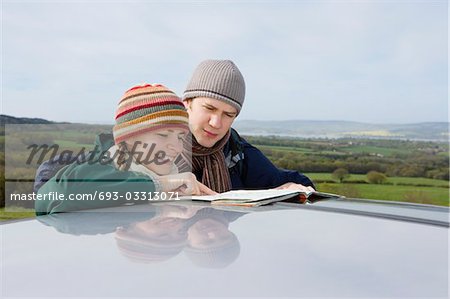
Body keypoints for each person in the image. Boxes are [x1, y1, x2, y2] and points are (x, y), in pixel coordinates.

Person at [36, 84, 215, 215]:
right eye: (162, 135)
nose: (176, 147)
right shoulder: (97, 166)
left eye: (180, 137)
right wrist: (159, 185)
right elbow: (60, 196)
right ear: (128, 139)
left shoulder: (171, 178)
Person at [179, 59, 315, 193]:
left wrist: (289, 187)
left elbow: (297, 183)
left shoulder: (236, 152)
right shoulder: (160, 144)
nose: (216, 123)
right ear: (187, 102)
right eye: (209, 108)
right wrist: (161, 186)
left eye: (228, 114)